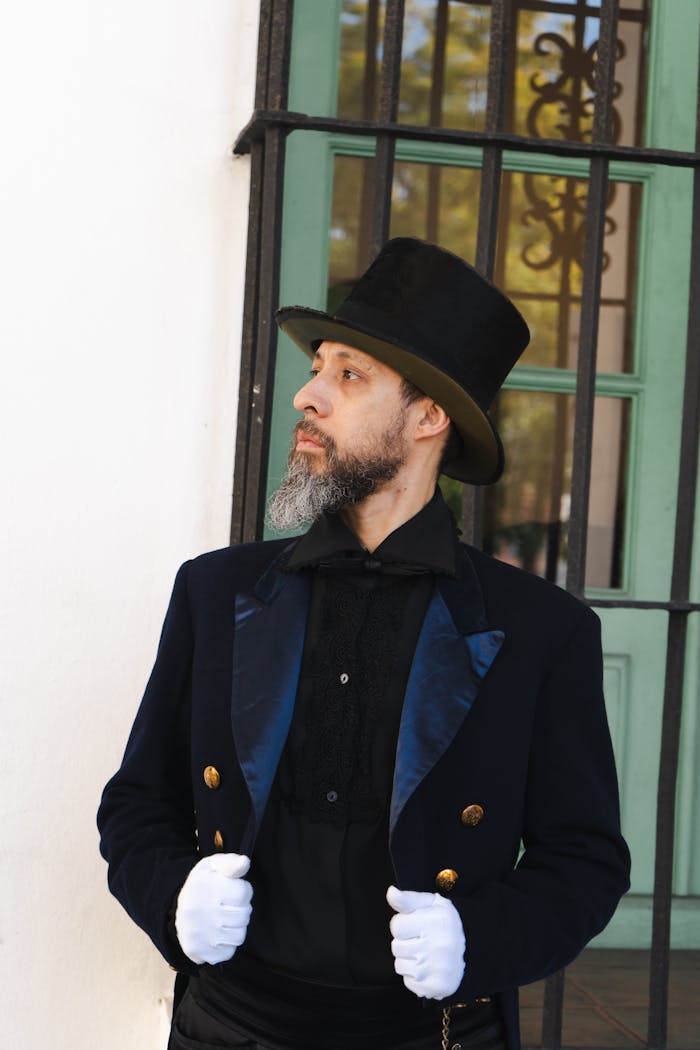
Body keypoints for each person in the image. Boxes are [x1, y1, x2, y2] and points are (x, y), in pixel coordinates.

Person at [97, 238, 630, 1050]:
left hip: (435, 1034)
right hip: (229, 1027)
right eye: (319, 367)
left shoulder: (543, 631)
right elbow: (135, 804)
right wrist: (171, 895)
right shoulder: (215, 591)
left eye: (349, 375)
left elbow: (584, 862)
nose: (308, 394)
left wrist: (478, 941)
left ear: (428, 417)